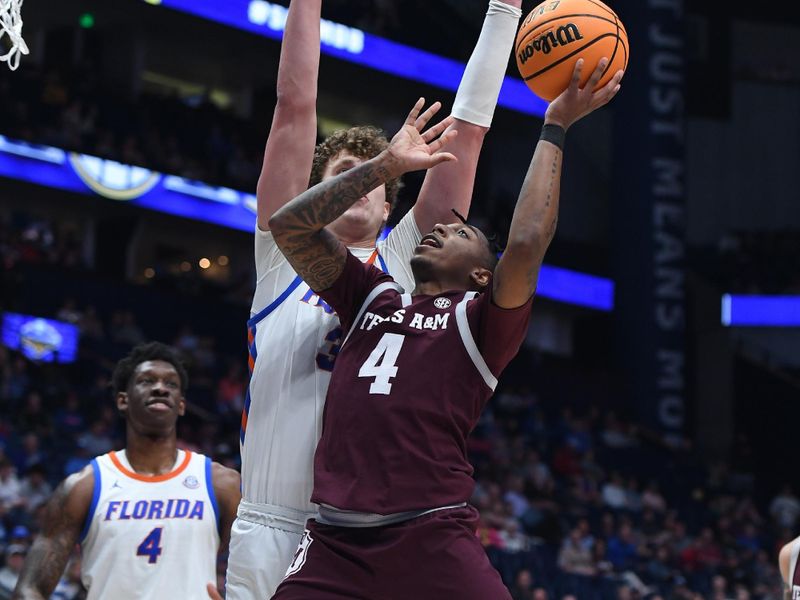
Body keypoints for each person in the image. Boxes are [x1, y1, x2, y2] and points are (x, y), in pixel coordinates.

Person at [268, 58, 623, 599]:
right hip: (334, 542)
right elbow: (288, 226)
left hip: (430, 534)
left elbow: (526, 243)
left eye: (461, 232)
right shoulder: (371, 296)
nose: (441, 229)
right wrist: (385, 167)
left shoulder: (483, 323)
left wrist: (555, 126)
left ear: (483, 273)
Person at [228, 0, 525, 597]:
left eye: (377, 177)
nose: (361, 180)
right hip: (270, 522)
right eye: (346, 171)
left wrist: (503, 13)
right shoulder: (281, 251)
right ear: (325, 189)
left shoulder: (407, 264)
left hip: (361, 533)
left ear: (391, 206)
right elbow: (294, 107)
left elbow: (466, 134)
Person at [12, 342, 241, 600]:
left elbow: (262, 567)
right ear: (123, 400)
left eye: (171, 384)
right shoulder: (84, 487)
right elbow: (30, 588)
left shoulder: (221, 483)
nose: (160, 388)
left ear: (181, 405)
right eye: (147, 380)